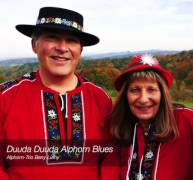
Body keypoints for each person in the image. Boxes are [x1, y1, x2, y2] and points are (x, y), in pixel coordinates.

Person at [0, 7, 116, 180]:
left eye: (71, 40)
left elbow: (111, 159)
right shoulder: (5, 97)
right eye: (52, 37)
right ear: (34, 45)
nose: (62, 48)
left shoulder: (100, 99)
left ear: (80, 50)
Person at [106, 54, 193, 180]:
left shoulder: (188, 121)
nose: (143, 99)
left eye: (151, 90)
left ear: (163, 93)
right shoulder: (118, 127)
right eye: (135, 90)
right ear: (125, 95)